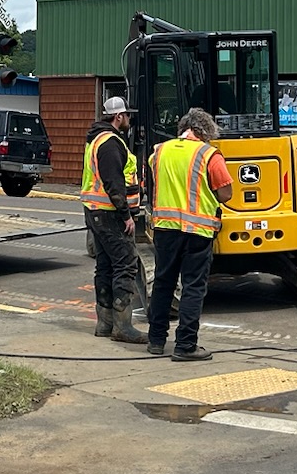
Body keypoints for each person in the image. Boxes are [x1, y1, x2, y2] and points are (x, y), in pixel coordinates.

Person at [146, 107, 234, 361]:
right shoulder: (209, 155)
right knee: (193, 287)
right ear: (204, 132)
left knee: (163, 283)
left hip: (165, 228)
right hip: (197, 231)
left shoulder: (159, 151)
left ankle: (156, 340)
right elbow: (226, 194)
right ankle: (185, 345)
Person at [79, 96, 146, 344]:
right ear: (118, 117)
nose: (129, 119)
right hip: (109, 213)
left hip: (96, 211)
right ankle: (122, 326)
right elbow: (113, 183)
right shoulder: (110, 143)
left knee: (106, 265)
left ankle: (105, 323)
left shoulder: (96, 139)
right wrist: (126, 215)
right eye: (127, 115)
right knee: (125, 264)